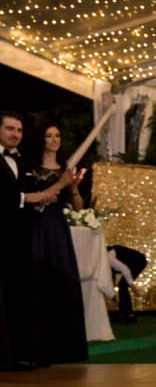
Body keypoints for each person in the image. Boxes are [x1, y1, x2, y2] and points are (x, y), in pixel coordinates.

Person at [0, 112, 64, 370]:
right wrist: (31, 198)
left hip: (19, 238)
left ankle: (15, 355)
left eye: (19, 130)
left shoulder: (23, 160)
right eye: (9, 129)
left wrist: (40, 199)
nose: (15, 134)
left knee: (16, 294)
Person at [24, 123, 89, 365]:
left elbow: (78, 207)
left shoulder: (65, 169)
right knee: (38, 281)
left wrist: (72, 188)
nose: (54, 140)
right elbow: (31, 199)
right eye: (49, 135)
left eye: (58, 135)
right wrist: (61, 183)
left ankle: (66, 348)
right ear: (41, 139)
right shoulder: (29, 168)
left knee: (64, 281)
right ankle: (38, 348)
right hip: (35, 227)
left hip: (58, 229)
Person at [108, 245, 147, 322]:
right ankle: (124, 313)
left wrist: (132, 286)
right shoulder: (105, 258)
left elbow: (125, 269)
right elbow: (111, 277)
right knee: (122, 285)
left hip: (138, 261)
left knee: (122, 285)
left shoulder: (108, 257)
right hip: (132, 263)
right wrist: (111, 293)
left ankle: (128, 314)